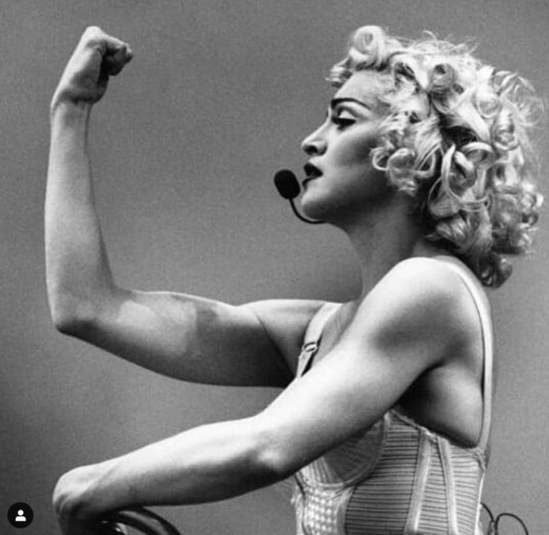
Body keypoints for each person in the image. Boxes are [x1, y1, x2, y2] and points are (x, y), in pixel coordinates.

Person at [46, 25, 542, 535]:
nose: (311, 140)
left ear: (413, 145)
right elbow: (84, 307)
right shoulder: (313, 333)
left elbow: (265, 448)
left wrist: (90, 486)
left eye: (342, 120)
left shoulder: (433, 289)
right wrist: (70, 110)